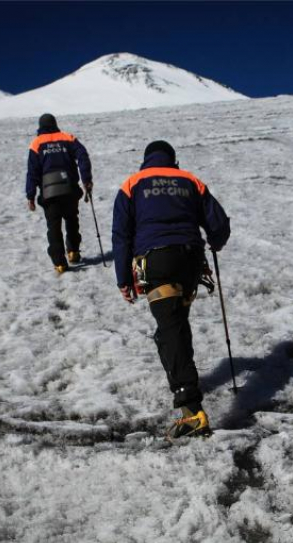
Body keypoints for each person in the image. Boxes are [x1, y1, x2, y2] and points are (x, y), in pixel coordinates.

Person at [112, 141, 230, 439]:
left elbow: (121, 236)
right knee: (175, 324)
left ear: (146, 160)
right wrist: (215, 242)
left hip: (156, 261)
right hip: (190, 260)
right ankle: (186, 383)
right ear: (173, 160)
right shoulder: (189, 180)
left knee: (170, 328)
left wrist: (123, 279)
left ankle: (192, 410)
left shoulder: (132, 184)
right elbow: (219, 223)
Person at [25, 113, 93, 274]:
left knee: (54, 227)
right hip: (69, 188)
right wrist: (86, 179)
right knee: (71, 220)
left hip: (49, 192)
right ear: (55, 124)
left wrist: (30, 195)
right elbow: (83, 156)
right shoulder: (68, 138)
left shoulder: (36, 143)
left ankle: (60, 263)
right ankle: (73, 251)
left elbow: (32, 172)